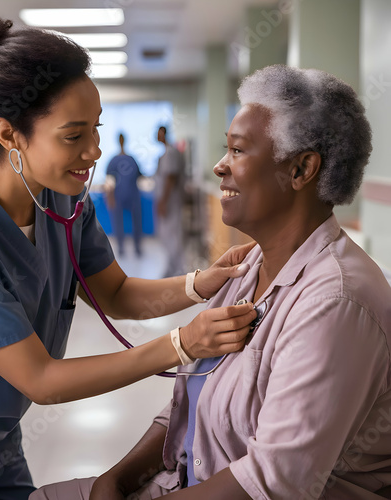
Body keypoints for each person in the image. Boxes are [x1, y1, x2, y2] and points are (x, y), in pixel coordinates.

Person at [0, 18, 259, 499]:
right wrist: (183, 344)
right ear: (9, 135)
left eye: (97, 129)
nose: (95, 151)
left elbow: (117, 294)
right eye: (73, 135)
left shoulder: (63, 197)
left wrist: (199, 283)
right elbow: (41, 379)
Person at [31, 65, 391, 499]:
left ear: (300, 170)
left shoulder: (335, 304)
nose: (220, 166)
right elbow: (187, 403)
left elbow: (270, 484)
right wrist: (117, 478)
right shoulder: (249, 268)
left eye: (238, 151)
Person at [154, 126, 185, 277]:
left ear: (164, 134)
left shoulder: (171, 152)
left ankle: (178, 270)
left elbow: (170, 178)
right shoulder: (166, 153)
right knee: (167, 235)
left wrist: (163, 201)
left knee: (172, 234)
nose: (156, 136)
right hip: (167, 200)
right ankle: (172, 267)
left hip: (171, 201)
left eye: (159, 133)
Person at [106, 133, 143, 257]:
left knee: (137, 221)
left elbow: (139, 176)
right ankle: (121, 248)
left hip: (132, 194)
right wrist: (110, 196)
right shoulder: (115, 161)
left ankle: (137, 247)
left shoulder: (131, 159)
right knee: (118, 222)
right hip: (119, 195)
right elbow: (109, 181)